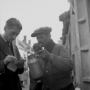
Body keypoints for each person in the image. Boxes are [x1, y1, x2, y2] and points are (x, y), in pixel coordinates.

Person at [0, 18, 25, 90]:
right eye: (12, 33)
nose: (14, 37)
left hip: (14, 85)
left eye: (17, 34)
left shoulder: (14, 46)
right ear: (5, 28)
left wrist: (20, 65)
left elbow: (20, 71)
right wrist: (3, 62)